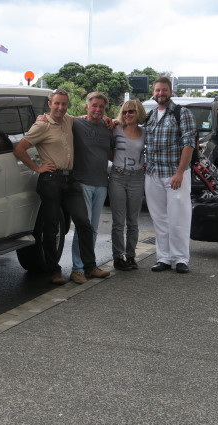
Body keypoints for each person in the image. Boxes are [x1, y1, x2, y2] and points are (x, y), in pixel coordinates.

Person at [13, 89, 110, 285]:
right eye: (57, 103)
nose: (60, 107)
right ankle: (53, 271)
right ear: (50, 104)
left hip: (70, 179)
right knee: (51, 227)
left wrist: (107, 118)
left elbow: (89, 115)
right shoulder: (42, 125)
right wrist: (37, 168)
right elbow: (20, 149)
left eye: (64, 104)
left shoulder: (68, 120)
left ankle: (90, 267)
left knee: (84, 223)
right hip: (51, 180)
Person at [144, 76, 197, 274]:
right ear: (153, 92)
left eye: (164, 90)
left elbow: (188, 143)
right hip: (153, 174)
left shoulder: (181, 113)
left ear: (170, 91)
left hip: (174, 175)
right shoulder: (150, 115)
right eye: (158, 90)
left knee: (179, 218)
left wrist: (180, 172)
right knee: (160, 218)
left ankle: (181, 258)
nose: (161, 93)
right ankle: (164, 258)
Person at [69, 92, 113, 284]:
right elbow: (57, 116)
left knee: (93, 228)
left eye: (101, 107)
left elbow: (111, 152)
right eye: (94, 105)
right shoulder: (76, 123)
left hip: (101, 183)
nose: (97, 109)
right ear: (86, 106)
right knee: (82, 227)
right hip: (82, 182)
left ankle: (90, 266)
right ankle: (77, 269)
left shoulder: (107, 126)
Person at [108, 99, 146, 271]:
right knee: (118, 221)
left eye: (131, 111)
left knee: (133, 221)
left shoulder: (145, 133)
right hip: (118, 176)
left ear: (138, 113)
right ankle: (118, 257)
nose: (128, 115)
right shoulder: (115, 129)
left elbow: (149, 152)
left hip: (137, 178)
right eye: (124, 112)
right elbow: (108, 150)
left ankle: (131, 256)